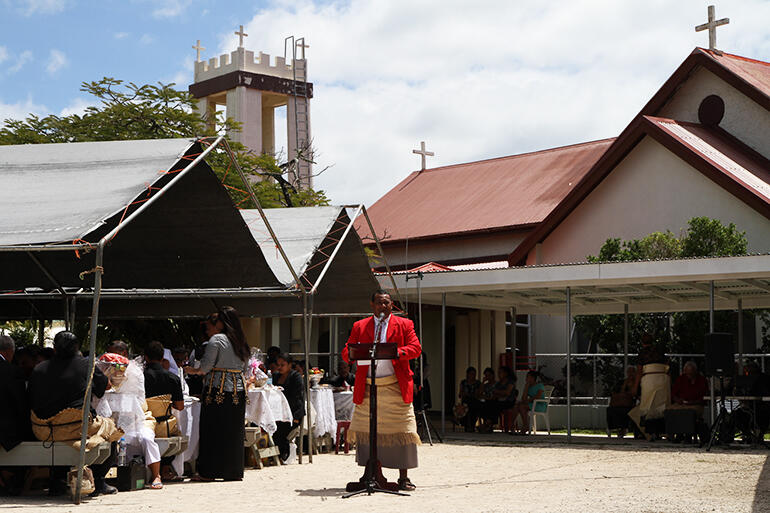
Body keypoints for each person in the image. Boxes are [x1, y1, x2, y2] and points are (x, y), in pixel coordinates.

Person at [342, 289, 422, 491]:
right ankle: (369, 473)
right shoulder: (360, 326)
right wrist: (353, 353)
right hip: (368, 386)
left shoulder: (405, 324)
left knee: (403, 431)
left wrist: (395, 352)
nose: (383, 306)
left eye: (386, 303)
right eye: (379, 303)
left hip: (396, 385)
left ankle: (403, 477)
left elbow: (415, 348)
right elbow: (346, 352)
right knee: (367, 431)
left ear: (392, 304)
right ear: (372, 305)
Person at [28, 331, 122, 496]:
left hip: (43, 429)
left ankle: (57, 481)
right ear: (76, 348)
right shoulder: (87, 365)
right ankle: (99, 480)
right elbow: (104, 388)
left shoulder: (38, 368)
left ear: (54, 348)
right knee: (112, 428)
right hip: (76, 427)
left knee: (62, 433)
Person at [184, 306, 249, 481]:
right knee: (233, 431)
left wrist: (191, 370)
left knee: (212, 429)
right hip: (238, 390)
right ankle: (233, 470)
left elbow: (205, 367)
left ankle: (209, 471)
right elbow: (245, 368)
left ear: (223, 322)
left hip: (217, 389)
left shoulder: (217, 340)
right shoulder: (240, 341)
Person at [144, 341, 185, 487]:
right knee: (177, 428)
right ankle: (166, 466)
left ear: (146, 358)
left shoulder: (141, 378)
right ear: (163, 359)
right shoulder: (173, 378)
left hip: (145, 423)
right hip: (164, 426)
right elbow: (180, 407)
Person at [0, 335, 33, 496]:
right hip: (6, 430)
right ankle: (10, 478)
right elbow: (20, 404)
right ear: (9, 352)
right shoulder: (12, 371)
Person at [628, 334, 670, 441]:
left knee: (647, 407)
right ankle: (663, 431)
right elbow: (668, 365)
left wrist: (635, 387)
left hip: (649, 380)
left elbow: (639, 371)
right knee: (661, 406)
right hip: (662, 379)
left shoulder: (642, 353)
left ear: (642, 342)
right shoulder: (660, 351)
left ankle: (649, 432)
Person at [272, 353, 305, 462]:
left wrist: (293, 416)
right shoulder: (276, 376)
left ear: (290, 365)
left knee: (280, 429)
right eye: (278, 365)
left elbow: (297, 398)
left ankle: (283, 454)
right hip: (278, 412)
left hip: (293, 413)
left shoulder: (296, 377)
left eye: (283, 365)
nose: (280, 367)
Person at [480, 366, 517, 433]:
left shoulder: (510, 382)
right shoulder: (499, 383)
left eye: (500, 373)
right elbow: (495, 394)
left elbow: (507, 392)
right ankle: (488, 423)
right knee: (488, 404)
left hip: (509, 401)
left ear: (505, 373)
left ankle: (488, 423)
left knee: (494, 405)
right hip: (500, 401)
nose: (499, 374)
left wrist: (497, 392)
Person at [606, 366, 638, 438]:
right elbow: (615, 393)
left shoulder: (638, 383)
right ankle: (620, 429)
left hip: (632, 404)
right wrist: (625, 385)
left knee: (628, 411)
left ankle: (627, 429)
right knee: (613, 410)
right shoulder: (622, 382)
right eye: (629, 372)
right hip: (621, 403)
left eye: (632, 372)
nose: (630, 374)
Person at [512, 370, 544, 434]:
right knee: (516, 406)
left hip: (539, 404)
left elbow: (538, 396)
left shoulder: (540, 385)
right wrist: (526, 387)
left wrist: (528, 401)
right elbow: (523, 398)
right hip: (531, 404)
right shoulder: (528, 387)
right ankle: (513, 425)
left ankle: (525, 425)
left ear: (532, 378)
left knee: (521, 407)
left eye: (527, 377)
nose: (526, 379)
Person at [458, 367, 481, 432]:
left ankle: (471, 424)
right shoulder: (463, 382)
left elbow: (477, 394)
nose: (473, 376)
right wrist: (463, 394)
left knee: (473, 406)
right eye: (471, 374)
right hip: (466, 400)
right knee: (466, 405)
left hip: (474, 400)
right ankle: (467, 424)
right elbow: (460, 393)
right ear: (467, 374)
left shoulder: (477, 383)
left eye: (474, 374)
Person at [477, 367, 497, 433]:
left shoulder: (497, 384)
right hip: (487, 401)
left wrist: (487, 397)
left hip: (495, 402)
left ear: (493, 375)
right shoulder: (486, 385)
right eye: (486, 375)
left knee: (491, 405)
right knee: (481, 405)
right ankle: (487, 424)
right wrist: (483, 382)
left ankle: (488, 424)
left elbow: (495, 396)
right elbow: (480, 393)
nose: (488, 377)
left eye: (489, 375)